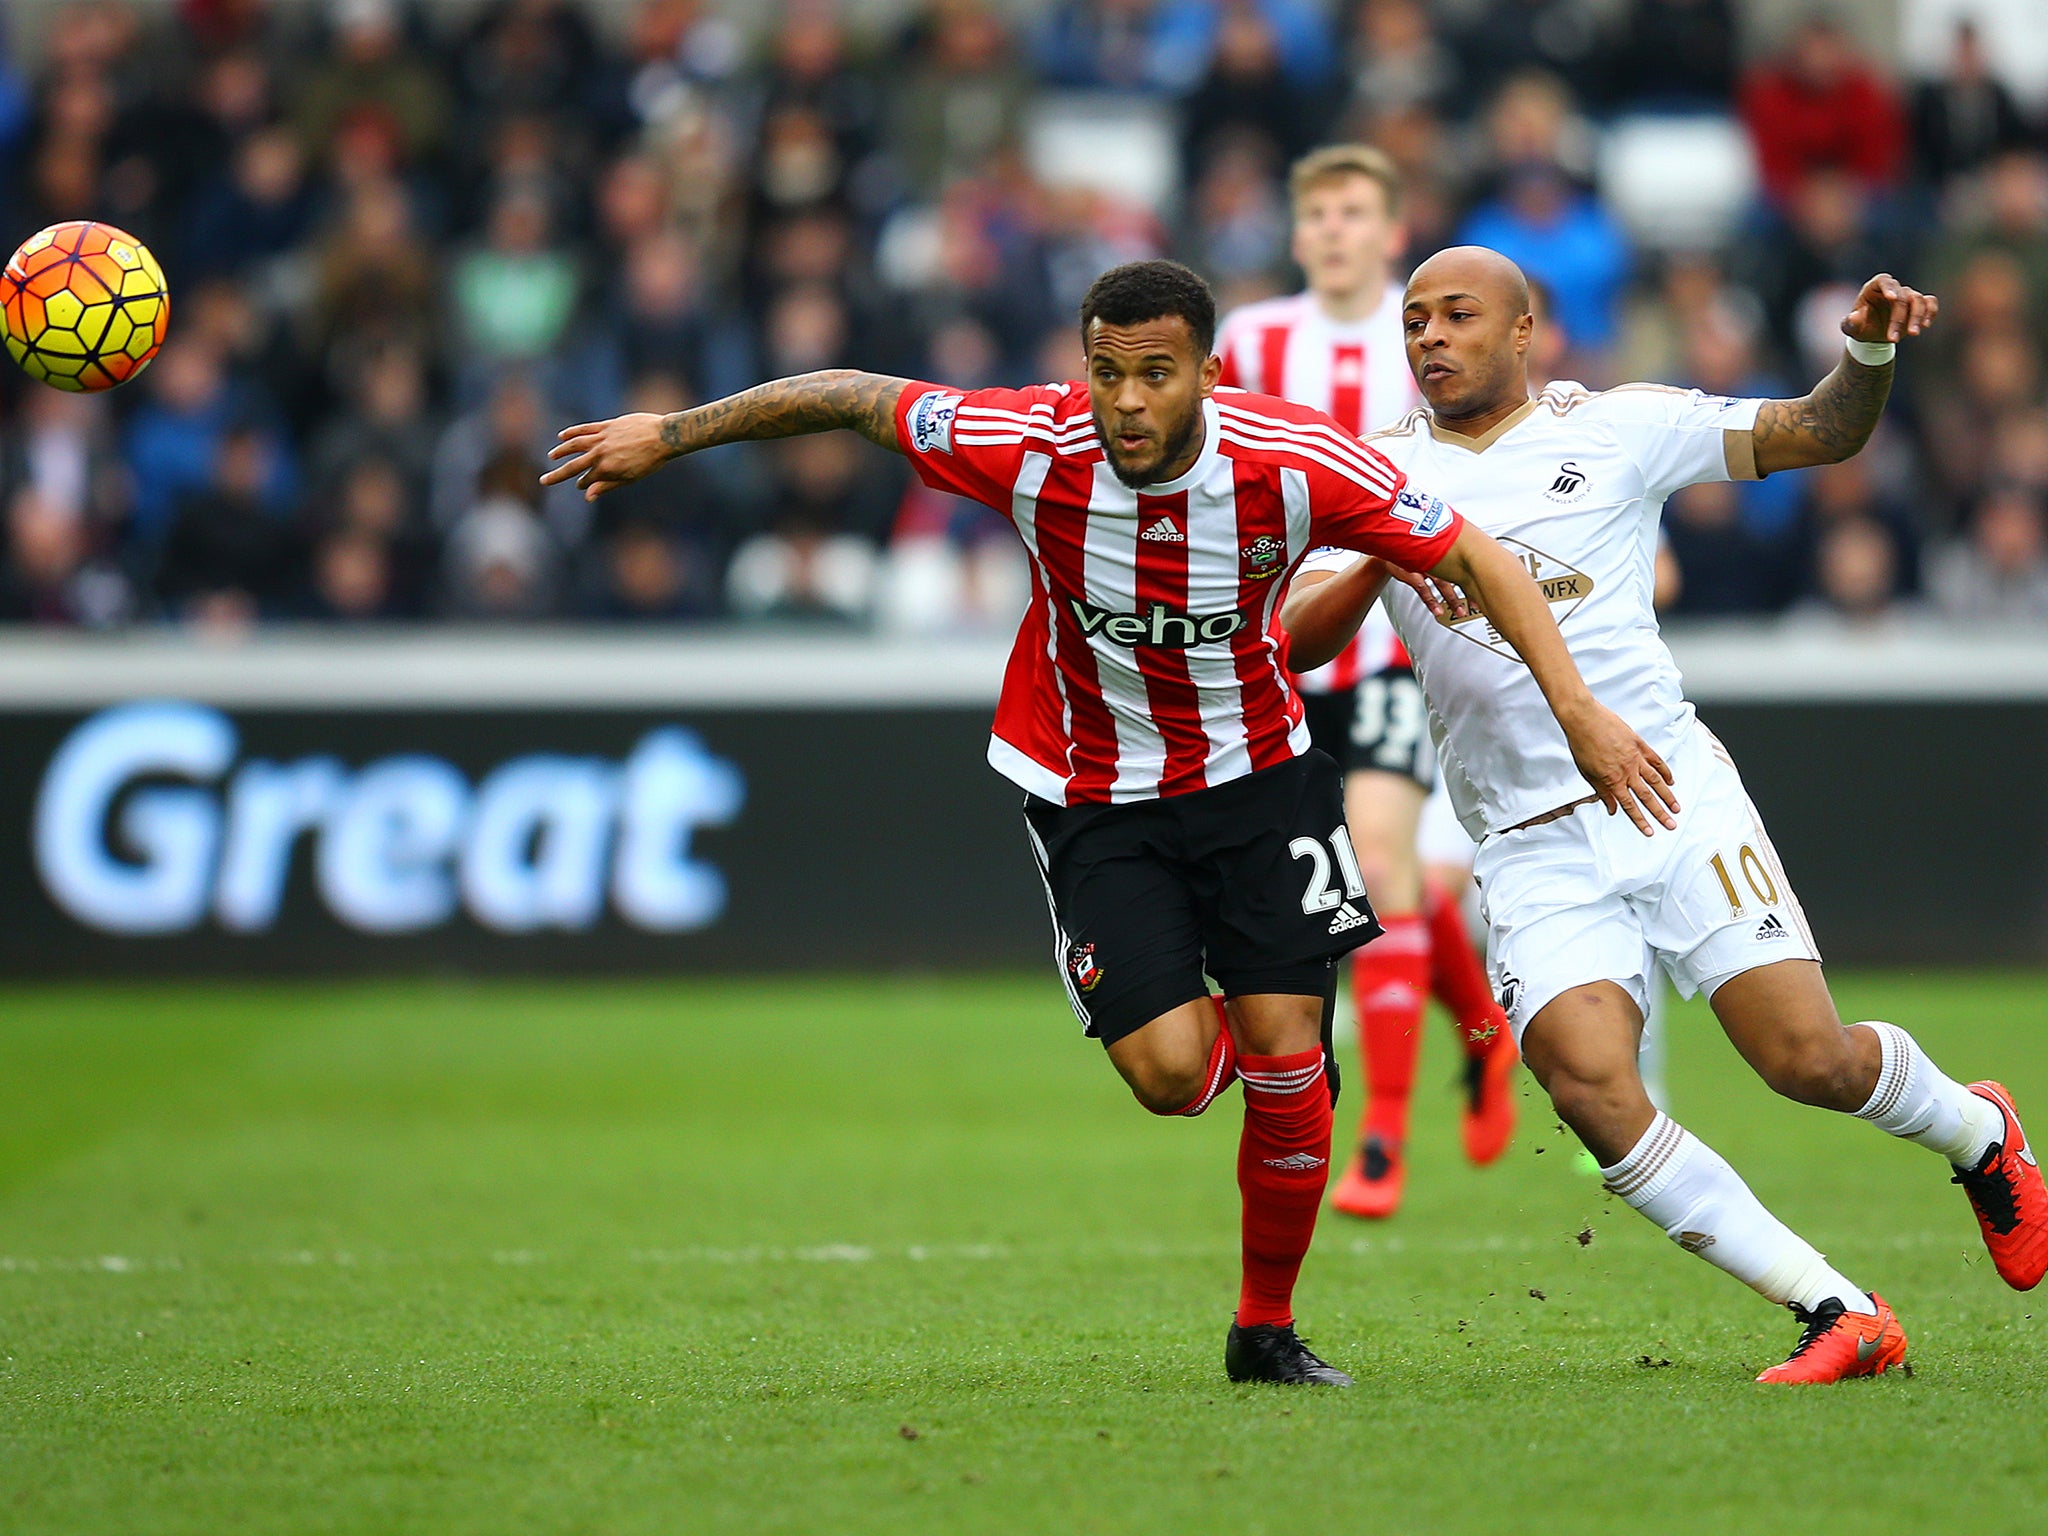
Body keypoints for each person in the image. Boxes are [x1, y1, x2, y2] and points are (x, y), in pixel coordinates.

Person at [543, 258, 1673, 1386]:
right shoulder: (1029, 445)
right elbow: (851, 395)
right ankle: (1286, 1082)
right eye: (1104, 373)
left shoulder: (1292, 458)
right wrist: (672, 432)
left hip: (1256, 779)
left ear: (1206, 375)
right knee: (1171, 1076)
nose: (1125, 401)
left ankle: (1262, 1330)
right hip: (1093, 792)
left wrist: (1577, 712)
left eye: (1153, 375)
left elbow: (1473, 551)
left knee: (1284, 1063)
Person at [1283, 245, 2048, 1383]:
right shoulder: (1373, 472)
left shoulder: (1616, 426)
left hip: (1666, 793)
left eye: (1455, 316)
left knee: (1804, 1060)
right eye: (1412, 321)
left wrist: (1868, 349)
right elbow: (1291, 640)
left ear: (1522, 331)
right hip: (1524, 837)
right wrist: (1378, 560)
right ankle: (1836, 1307)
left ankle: (1977, 1129)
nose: (1429, 338)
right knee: (1588, 1084)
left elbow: (1819, 431)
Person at [1215, 144, 1517, 1219]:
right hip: (1275, 643)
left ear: (1389, 232)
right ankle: (1481, 1035)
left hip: (1393, 638)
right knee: (1369, 881)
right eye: (1319, 215)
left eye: (1356, 213)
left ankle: (1380, 1143)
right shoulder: (1248, 340)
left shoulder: (1425, 335)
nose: (1336, 231)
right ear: (1297, 235)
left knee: (1381, 861)